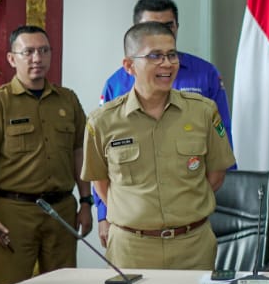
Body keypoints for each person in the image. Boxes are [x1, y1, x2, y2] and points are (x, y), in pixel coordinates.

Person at [83, 22, 236, 270]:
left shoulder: (203, 111)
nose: (167, 64)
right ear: (129, 66)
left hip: (193, 247)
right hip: (131, 249)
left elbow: (216, 174)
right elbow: (100, 181)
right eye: (155, 56)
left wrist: (185, 209)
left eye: (171, 55)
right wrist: (134, 217)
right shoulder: (103, 121)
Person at [0, 25, 91, 284]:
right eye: (28, 52)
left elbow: (79, 153)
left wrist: (85, 202)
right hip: (14, 213)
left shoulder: (67, 100)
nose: (37, 58)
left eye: (43, 51)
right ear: (12, 58)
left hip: (61, 211)